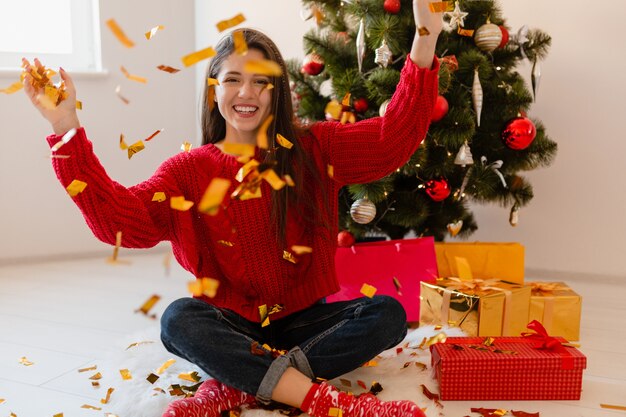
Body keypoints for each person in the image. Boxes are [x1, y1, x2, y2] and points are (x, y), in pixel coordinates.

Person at [23, 1, 442, 416]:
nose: (247, 93)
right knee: (178, 320)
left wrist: (426, 37)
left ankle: (240, 384)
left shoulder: (314, 148)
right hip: (230, 326)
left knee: (385, 314)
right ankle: (316, 397)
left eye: (261, 81)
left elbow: (392, 140)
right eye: (233, 80)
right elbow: (120, 224)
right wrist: (65, 128)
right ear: (214, 89)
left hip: (304, 324)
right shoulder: (188, 171)